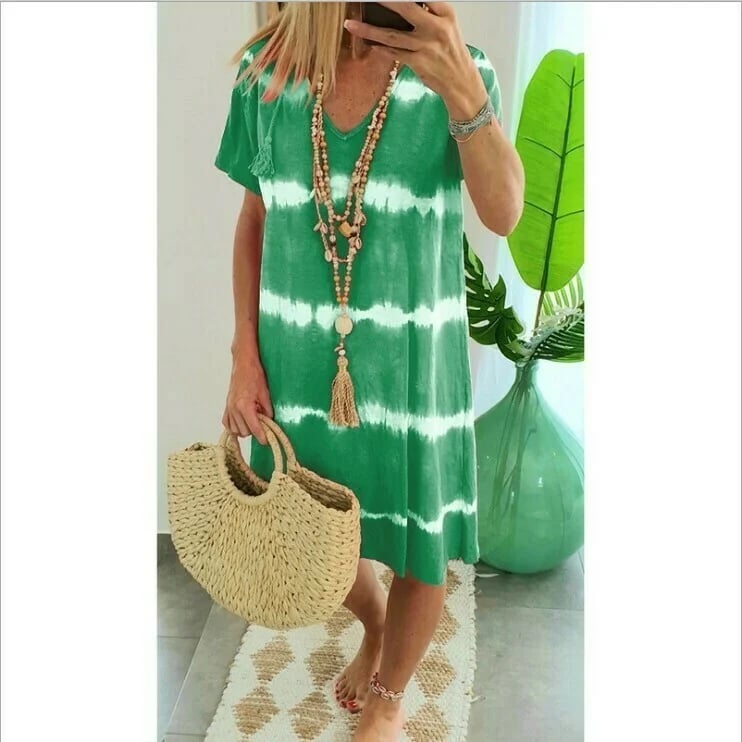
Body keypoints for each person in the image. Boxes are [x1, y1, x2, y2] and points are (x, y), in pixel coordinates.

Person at [215, 2, 524, 739]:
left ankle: (388, 698)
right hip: (296, 368)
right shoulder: (267, 73)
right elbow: (255, 218)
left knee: (421, 546)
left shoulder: (458, 70)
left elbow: (505, 212)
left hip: (414, 372)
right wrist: (243, 355)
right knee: (309, 535)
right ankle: (377, 622)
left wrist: (463, 90)